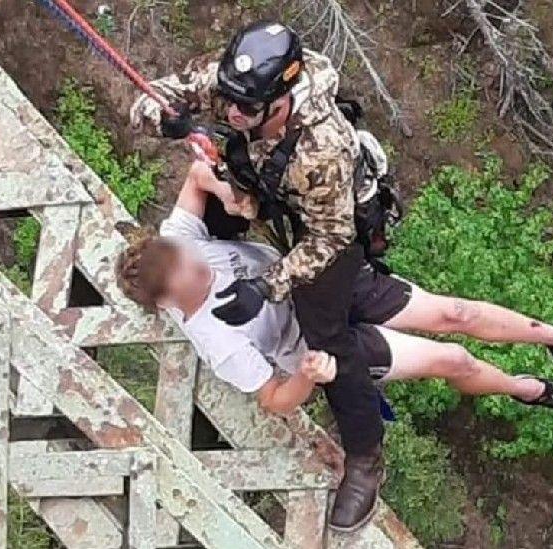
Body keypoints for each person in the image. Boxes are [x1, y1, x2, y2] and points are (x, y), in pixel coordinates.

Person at [117, 162, 553, 531]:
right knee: (451, 360)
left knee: (454, 314)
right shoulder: (217, 340)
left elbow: (195, 174)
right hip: (320, 340)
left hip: (319, 283)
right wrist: (309, 376)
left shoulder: (177, 241)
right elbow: (274, 398)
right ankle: (531, 389)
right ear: (167, 301)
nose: (195, 264)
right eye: (185, 274)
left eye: (184, 256)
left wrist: (225, 191)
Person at [130, 21, 398, 529]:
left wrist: (267, 285)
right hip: (265, 179)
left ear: (282, 102)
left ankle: (365, 457)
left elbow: (329, 238)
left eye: (246, 109)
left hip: (324, 221)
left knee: (328, 336)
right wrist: (167, 118)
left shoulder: (323, 148)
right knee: (208, 211)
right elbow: (157, 96)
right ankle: (212, 269)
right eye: (228, 101)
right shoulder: (241, 88)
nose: (232, 113)